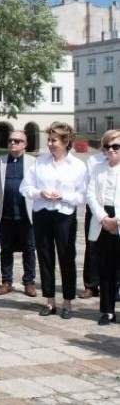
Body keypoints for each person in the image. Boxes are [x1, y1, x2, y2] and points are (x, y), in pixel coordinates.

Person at [20, 121, 87, 319]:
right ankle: (49, 301)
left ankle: (67, 301)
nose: (49, 143)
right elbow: (25, 188)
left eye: (54, 140)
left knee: (66, 257)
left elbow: (83, 196)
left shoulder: (78, 166)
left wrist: (63, 196)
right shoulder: (39, 162)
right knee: (45, 257)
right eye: (49, 140)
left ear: (66, 142)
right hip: (42, 213)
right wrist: (40, 193)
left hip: (64, 215)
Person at [0, 130, 37, 296]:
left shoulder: (33, 162)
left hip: (27, 214)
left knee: (29, 249)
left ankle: (29, 282)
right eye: (10, 140)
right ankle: (7, 281)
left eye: (17, 141)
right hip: (6, 213)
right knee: (6, 249)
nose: (13, 143)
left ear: (25, 144)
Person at [86, 130, 120, 325]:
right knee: (105, 268)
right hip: (102, 219)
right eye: (107, 147)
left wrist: (117, 221)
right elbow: (90, 195)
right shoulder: (97, 168)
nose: (111, 150)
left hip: (118, 218)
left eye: (116, 146)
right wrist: (103, 218)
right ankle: (107, 310)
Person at [79, 149, 106, 299]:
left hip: (116, 209)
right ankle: (91, 285)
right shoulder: (93, 160)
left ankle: (114, 285)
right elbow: (87, 186)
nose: (111, 148)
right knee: (92, 247)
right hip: (95, 208)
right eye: (107, 145)